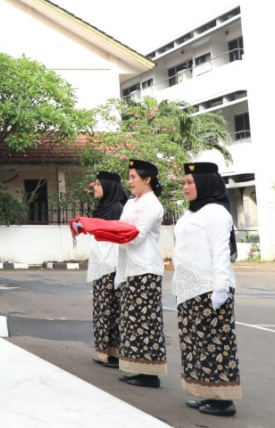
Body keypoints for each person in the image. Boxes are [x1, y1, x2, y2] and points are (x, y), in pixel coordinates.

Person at [173, 162, 241, 417]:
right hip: (189, 288)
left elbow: (221, 251)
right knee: (197, 345)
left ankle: (223, 401)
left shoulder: (216, 212)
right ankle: (208, 393)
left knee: (216, 345)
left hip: (210, 289)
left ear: (204, 183)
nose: (185, 187)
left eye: (190, 182)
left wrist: (220, 289)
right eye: (184, 182)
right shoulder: (192, 212)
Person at [115, 158, 167, 387]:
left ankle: (150, 374)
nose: (130, 181)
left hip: (145, 269)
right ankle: (138, 368)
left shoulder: (153, 205)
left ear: (147, 179)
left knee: (146, 322)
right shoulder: (131, 203)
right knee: (132, 321)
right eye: (129, 177)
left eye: (134, 177)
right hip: (130, 267)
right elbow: (121, 227)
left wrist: (110, 232)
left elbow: (135, 235)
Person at [87, 171, 128, 368]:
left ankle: (115, 354)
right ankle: (105, 352)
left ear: (109, 187)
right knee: (102, 311)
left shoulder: (117, 209)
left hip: (112, 266)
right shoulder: (102, 209)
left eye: (98, 184)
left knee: (112, 311)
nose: (94, 187)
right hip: (101, 265)